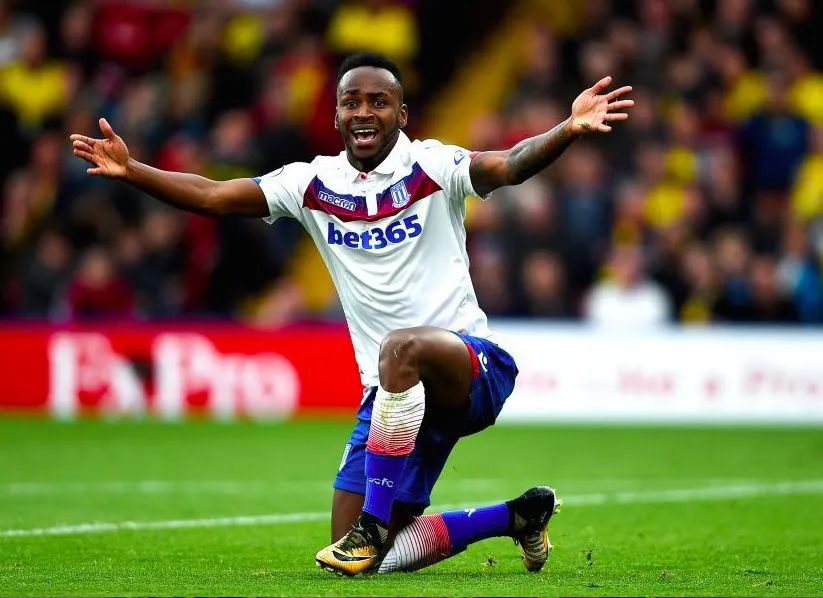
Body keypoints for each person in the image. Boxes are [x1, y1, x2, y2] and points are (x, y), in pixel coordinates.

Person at [70, 52, 633, 576]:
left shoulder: (433, 164)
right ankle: (516, 516)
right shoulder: (312, 183)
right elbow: (214, 195)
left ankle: (371, 526)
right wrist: (134, 169)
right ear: (337, 116)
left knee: (401, 348)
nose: (364, 111)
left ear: (401, 115)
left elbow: (508, 164)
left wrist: (566, 129)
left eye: (378, 101)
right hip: (390, 396)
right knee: (365, 559)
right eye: (351, 102)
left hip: (468, 367)